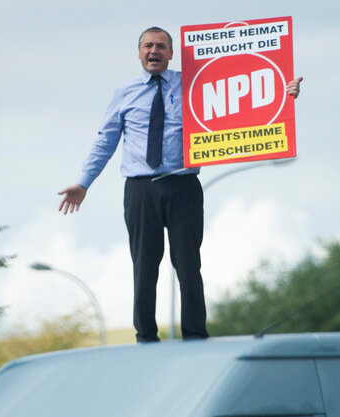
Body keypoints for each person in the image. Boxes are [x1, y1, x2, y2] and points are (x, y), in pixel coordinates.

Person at [59, 27, 301, 343]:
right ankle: (145, 336)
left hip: (183, 186)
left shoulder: (197, 85)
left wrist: (285, 92)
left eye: (161, 46)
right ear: (139, 53)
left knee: (188, 264)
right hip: (141, 188)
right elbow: (106, 140)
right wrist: (84, 183)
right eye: (147, 46)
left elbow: (244, 104)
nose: (153, 51)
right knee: (144, 265)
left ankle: (195, 334)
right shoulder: (125, 93)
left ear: (172, 53)